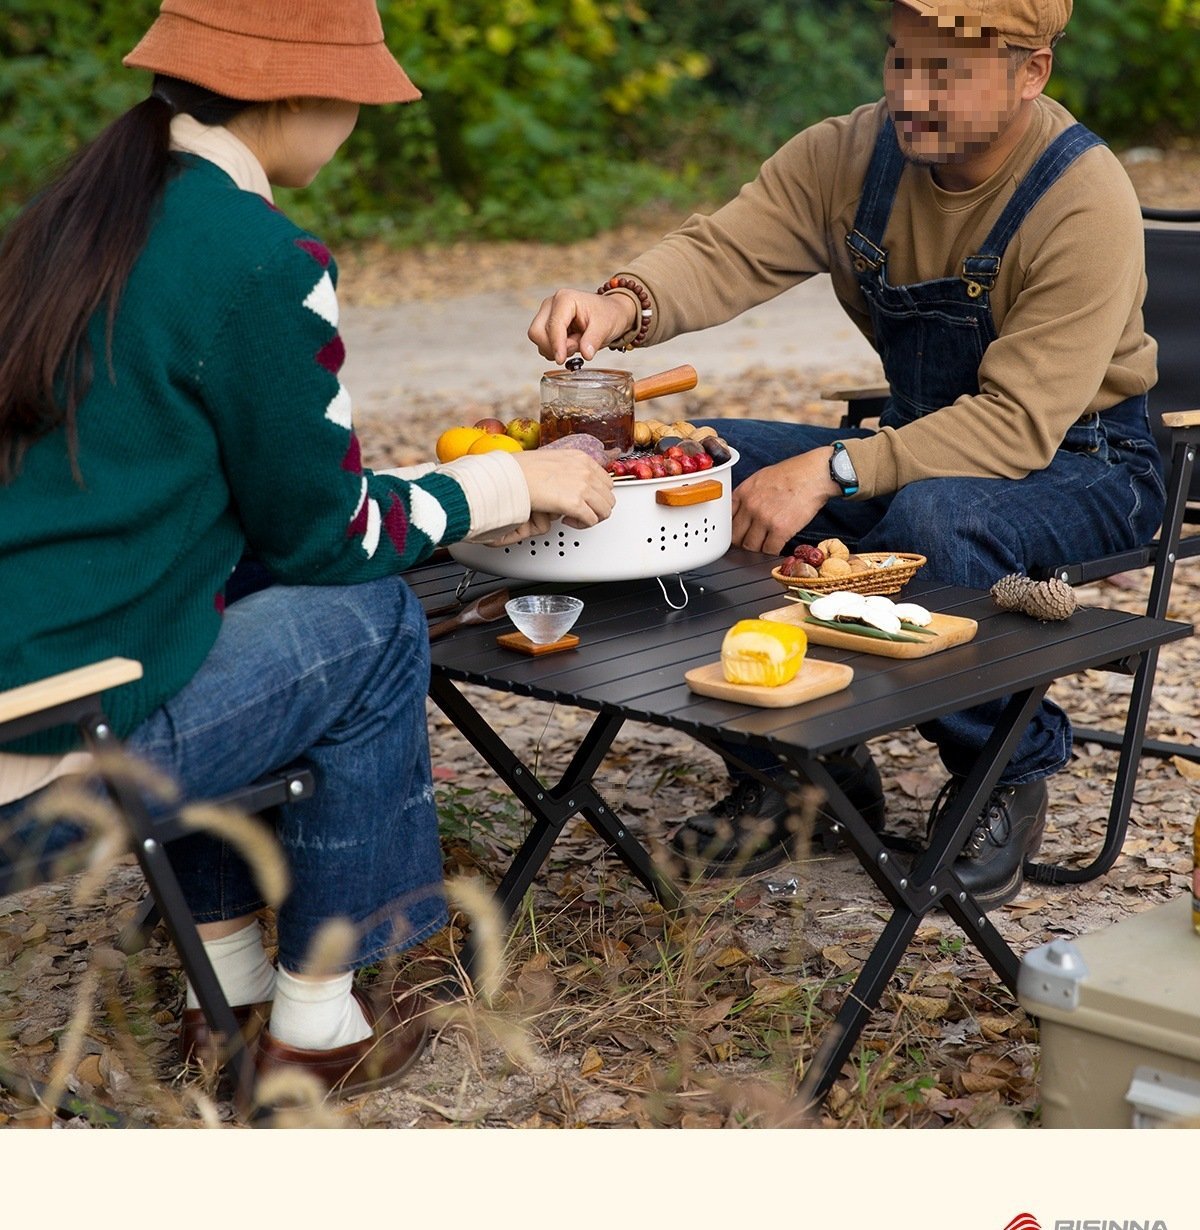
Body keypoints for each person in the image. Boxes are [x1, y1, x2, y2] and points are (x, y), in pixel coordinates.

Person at [0, 0, 614, 1101]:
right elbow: (333, 537)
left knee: (238, 589)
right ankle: (319, 1027)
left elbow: (250, 510)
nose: (356, 120)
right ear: (293, 92)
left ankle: (227, 990)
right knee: (368, 625)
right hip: (48, 767)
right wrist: (511, 484)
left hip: (32, 692)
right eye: (355, 97)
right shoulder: (254, 253)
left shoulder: (79, 215)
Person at [528, 0, 1165, 908]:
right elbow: (724, 249)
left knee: (937, 518)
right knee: (697, 476)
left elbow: (1019, 423)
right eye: (900, 61)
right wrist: (621, 303)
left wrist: (832, 470)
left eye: (946, 73)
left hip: (1084, 461)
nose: (911, 94)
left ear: (1033, 73)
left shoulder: (1082, 196)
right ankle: (798, 771)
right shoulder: (853, 154)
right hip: (912, 442)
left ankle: (1007, 770)